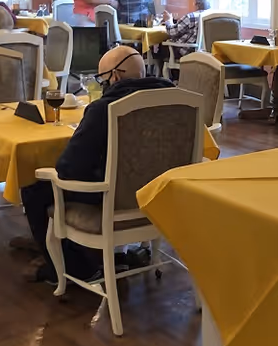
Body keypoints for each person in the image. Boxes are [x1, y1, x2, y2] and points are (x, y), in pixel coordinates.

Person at [20, 46, 175, 283]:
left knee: (34, 188)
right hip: (161, 196)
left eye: (102, 79)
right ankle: (105, 253)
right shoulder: (176, 101)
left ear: (114, 76)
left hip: (114, 200)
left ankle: (72, 267)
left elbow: (68, 169)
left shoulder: (105, 109)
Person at [153, 0, 211, 75]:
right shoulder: (211, 17)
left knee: (159, 47)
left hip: (186, 52)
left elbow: (172, 32)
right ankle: (175, 76)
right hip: (205, 53)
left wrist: (168, 20)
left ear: (197, 5)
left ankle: (160, 76)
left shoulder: (191, 17)